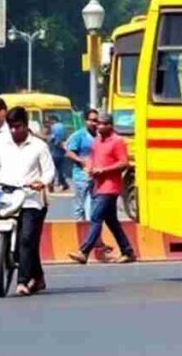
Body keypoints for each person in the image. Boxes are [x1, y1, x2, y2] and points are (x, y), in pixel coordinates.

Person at [0, 107, 54, 296]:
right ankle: (38, 277)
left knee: (26, 240)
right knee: (27, 244)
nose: (14, 131)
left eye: (17, 127)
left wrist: (41, 182)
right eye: (11, 127)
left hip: (31, 200)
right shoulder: (1, 146)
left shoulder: (39, 146)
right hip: (5, 197)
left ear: (26, 125)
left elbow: (49, 171)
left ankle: (23, 281)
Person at [67, 114, 136, 265]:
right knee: (112, 222)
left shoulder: (117, 141)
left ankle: (84, 252)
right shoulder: (97, 141)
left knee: (96, 217)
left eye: (103, 124)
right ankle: (128, 251)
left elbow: (123, 163)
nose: (99, 127)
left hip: (110, 187)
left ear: (110, 125)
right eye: (98, 124)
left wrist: (104, 170)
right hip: (98, 185)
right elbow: (92, 157)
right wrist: (90, 167)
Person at [63, 109, 99, 221]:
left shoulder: (100, 136)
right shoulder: (79, 136)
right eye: (92, 120)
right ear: (86, 121)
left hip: (97, 176)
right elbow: (69, 153)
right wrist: (82, 161)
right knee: (80, 207)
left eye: (97, 121)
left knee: (95, 206)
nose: (94, 123)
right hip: (81, 176)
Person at [47, 115, 69, 192]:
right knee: (60, 169)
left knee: (52, 168)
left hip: (55, 150)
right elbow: (65, 138)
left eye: (49, 122)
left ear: (52, 120)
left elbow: (53, 139)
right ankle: (63, 184)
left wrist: (49, 139)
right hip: (61, 151)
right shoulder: (63, 127)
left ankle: (51, 184)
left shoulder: (54, 127)